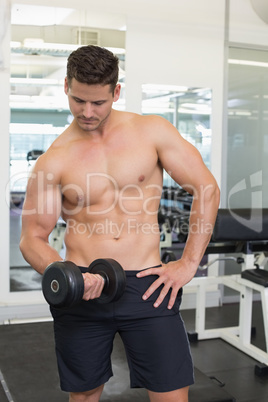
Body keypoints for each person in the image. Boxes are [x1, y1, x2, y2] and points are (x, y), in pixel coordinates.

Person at [20, 45, 220, 402]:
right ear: (66, 85)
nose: (87, 112)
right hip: (83, 288)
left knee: (172, 395)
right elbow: (32, 238)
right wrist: (66, 275)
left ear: (116, 92)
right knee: (83, 396)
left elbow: (206, 188)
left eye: (98, 102)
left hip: (148, 285)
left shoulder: (151, 132)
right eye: (79, 100)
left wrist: (189, 263)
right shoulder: (54, 159)